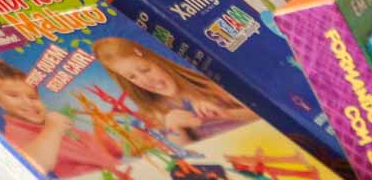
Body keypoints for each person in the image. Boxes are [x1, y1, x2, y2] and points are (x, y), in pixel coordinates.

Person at [0, 56, 122, 177]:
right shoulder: (18, 133)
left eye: (33, 97)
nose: (28, 103)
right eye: (13, 95)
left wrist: (102, 130)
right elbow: (35, 163)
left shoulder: (55, 124)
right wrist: (53, 129)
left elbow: (114, 152)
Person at [90, 36, 255, 143]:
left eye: (145, 70)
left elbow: (262, 112)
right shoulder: (153, 116)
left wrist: (227, 114)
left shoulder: (207, 84)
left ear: (157, 61)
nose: (145, 81)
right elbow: (183, 166)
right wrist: (175, 129)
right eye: (132, 78)